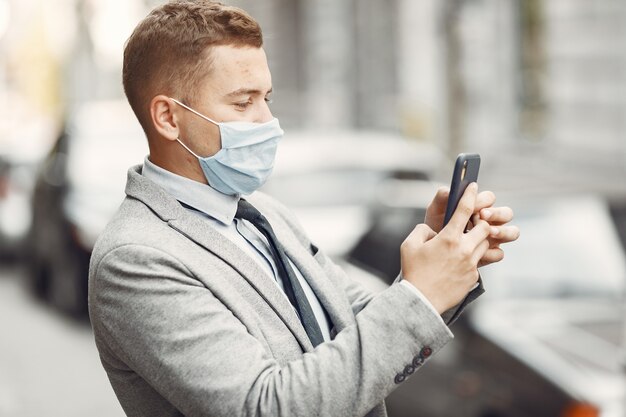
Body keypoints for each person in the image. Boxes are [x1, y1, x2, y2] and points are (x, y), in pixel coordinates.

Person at [88, 1, 519, 416]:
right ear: (167, 117)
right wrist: (421, 294)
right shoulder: (136, 258)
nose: (267, 121)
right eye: (243, 102)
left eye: (267, 98)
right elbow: (266, 407)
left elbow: (360, 331)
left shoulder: (265, 214)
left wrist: (441, 266)